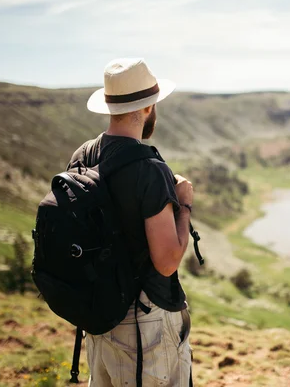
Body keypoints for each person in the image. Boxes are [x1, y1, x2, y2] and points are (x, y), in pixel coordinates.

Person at [68, 58, 194, 386]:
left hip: (99, 318)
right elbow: (166, 262)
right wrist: (184, 204)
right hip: (145, 325)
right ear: (149, 107)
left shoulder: (82, 157)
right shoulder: (149, 168)